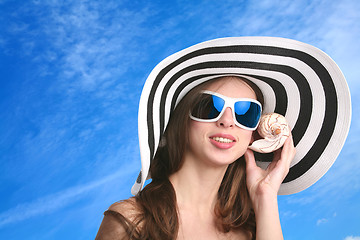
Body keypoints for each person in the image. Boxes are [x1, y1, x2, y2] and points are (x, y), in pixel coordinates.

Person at [95, 37, 351, 240]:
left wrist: (266, 197)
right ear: (181, 120)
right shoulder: (131, 220)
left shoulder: (250, 231)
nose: (227, 120)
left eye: (246, 112)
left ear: (253, 133)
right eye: (210, 106)